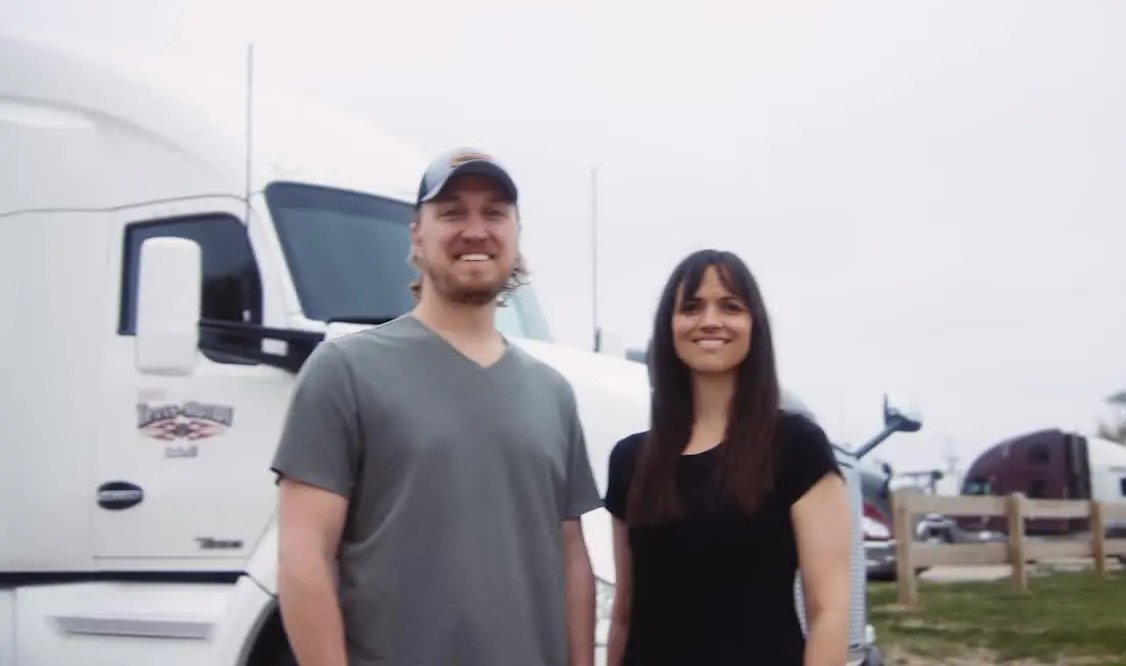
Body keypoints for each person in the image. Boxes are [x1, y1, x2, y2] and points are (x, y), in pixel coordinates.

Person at [270, 147, 601, 666]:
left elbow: (571, 561)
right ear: (416, 237)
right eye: (451, 213)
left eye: (494, 213)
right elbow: (303, 555)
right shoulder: (345, 370)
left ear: (515, 234)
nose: (475, 230)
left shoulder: (552, 393)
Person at [603, 249, 853, 666]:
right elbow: (625, 616)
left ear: (754, 325)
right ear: (670, 327)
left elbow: (829, 610)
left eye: (730, 306)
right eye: (692, 307)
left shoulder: (796, 446)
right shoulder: (631, 461)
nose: (710, 321)